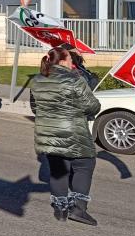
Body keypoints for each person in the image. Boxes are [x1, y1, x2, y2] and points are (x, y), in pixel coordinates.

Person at [30, 46, 101, 225]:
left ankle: (60, 208)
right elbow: (93, 106)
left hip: (48, 134)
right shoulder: (74, 80)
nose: (72, 62)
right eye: (70, 59)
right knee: (84, 166)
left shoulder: (37, 80)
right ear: (62, 61)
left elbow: (35, 107)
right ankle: (78, 209)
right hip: (73, 133)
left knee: (58, 171)